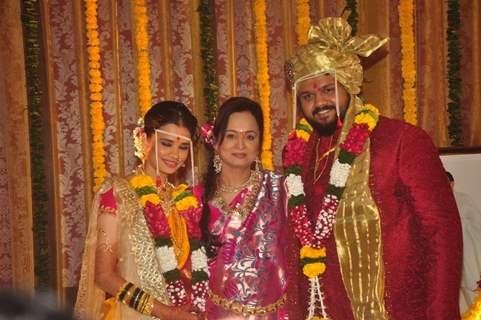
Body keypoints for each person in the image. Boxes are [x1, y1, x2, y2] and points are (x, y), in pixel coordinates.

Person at [282, 17, 462, 319]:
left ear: (349, 85)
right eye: (308, 96)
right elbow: (293, 244)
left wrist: (441, 312)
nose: (320, 102)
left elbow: (442, 234)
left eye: (328, 89)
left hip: (399, 309)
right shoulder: (297, 155)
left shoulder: (401, 140)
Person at [75, 101, 208, 320]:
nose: (175, 154)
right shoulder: (117, 192)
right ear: (144, 140)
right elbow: (104, 275)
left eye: (183, 147)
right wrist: (166, 312)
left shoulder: (185, 201)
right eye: (166, 143)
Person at [199, 97, 292, 319]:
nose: (240, 145)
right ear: (216, 141)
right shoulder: (195, 199)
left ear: (259, 143)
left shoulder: (281, 190)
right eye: (231, 136)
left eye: (249, 137)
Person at [446, 171, 481, 314]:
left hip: (468, 257)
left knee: (473, 294)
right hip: (448, 261)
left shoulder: (464, 200)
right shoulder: (433, 202)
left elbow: (478, 226)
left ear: (452, 183)